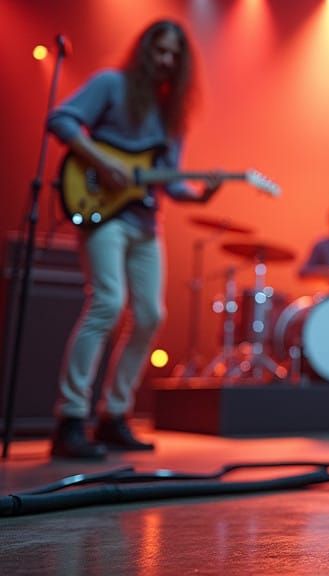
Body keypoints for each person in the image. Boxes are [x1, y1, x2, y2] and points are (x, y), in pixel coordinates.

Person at [48, 20, 222, 459]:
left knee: (149, 314)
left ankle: (114, 415)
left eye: (173, 56)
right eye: (160, 51)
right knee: (108, 301)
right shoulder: (111, 84)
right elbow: (62, 119)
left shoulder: (171, 115)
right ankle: (70, 418)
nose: (165, 62)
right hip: (101, 211)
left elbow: (171, 182)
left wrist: (203, 193)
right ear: (145, 50)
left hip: (146, 223)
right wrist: (104, 161)